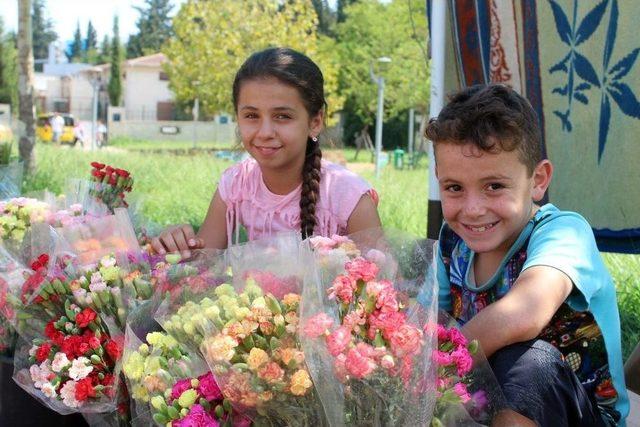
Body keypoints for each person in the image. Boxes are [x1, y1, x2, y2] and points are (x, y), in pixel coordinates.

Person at [422, 84, 628, 426]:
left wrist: (432, 369)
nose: (473, 210)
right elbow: (429, 322)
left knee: (525, 363)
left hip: (581, 415)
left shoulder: (563, 232)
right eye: (454, 188)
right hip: (483, 404)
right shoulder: (451, 245)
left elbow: (524, 314)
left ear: (538, 180)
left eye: (494, 186)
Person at [152, 47, 381, 256]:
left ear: (315, 121)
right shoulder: (237, 185)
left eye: (283, 116)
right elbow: (203, 268)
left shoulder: (349, 198)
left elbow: (382, 287)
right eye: (251, 116)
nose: (265, 132)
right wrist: (177, 245)